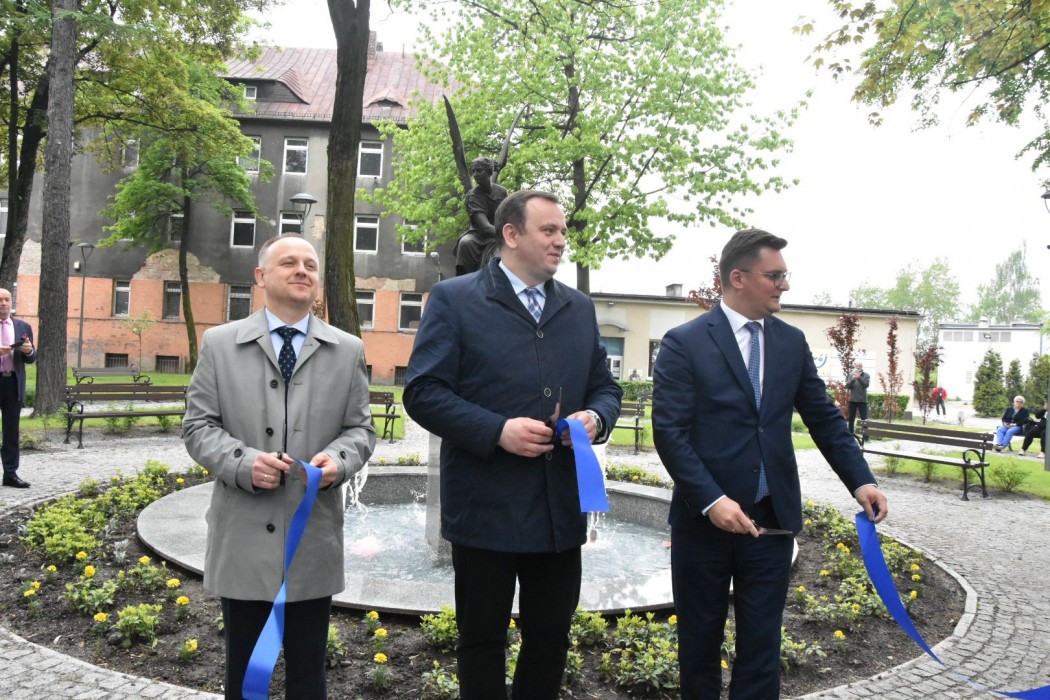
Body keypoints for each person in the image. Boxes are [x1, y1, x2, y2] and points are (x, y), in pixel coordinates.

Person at [403, 190, 623, 700]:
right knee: (481, 643)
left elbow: (605, 388)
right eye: (549, 230)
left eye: (563, 231)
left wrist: (596, 418)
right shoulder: (455, 300)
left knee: (550, 640)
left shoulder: (579, 308)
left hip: (558, 512)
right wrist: (496, 430)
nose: (561, 241)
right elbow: (423, 392)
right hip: (485, 509)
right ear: (511, 234)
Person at [651, 228, 888, 700]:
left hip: (771, 522)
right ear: (738, 278)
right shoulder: (684, 343)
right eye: (775, 276)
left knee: (762, 650)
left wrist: (861, 481)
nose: (785, 285)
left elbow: (824, 418)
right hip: (704, 525)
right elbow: (670, 434)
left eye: (785, 275)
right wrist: (712, 500)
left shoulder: (791, 342)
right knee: (699, 647)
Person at [183, 234, 376, 699]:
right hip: (243, 538)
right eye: (288, 262)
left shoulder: (347, 349)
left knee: (309, 677)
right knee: (245, 676)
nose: (302, 270)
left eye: (310, 264)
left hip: (312, 538)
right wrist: (243, 462)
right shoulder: (220, 344)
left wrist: (339, 461)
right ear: (261, 276)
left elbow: (360, 430)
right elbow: (198, 426)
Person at [0, 288, 35, 489]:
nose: (4, 303)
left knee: (11, 432)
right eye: (0, 300)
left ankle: (10, 474)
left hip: (13, 383)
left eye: (7, 299)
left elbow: (31, 358)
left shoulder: (23, 326)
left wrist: (29, 351)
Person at [454, 156, 509, 276]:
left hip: (498, 234)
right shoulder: (472, 196)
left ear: (489, 171)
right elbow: (485, 227)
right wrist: (507, 235)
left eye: (479, 170)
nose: (475, 174)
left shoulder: (502, 192)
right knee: (465, 243)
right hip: (478, 235)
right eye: (473, 171)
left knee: (503, 256)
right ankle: (465, 279)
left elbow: (509, 216)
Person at [845, 362, 869, 434]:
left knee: (864, 419)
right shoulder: (851, 375)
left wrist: (859, 378)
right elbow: (848, 386)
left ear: (862, 366)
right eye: (857, 365)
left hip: (862, 400)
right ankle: (850, 434)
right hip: (852, 400)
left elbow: (866, 385)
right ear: (855, 366)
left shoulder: (866, 375)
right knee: (851, 418)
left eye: (860, 365)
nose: (858, 367)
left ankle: (865, 436)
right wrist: (853, 380)